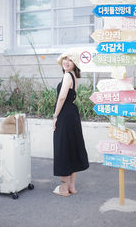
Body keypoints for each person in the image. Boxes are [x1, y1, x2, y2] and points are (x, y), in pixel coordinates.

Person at [52, 50, 89, 197]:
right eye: (64, 59)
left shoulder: (67, 75)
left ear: (74, 64)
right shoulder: (74, 77)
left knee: (63, 148)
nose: (66, 62)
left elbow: (62, 98)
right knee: (72, 147)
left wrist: (55, 116)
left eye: (70, 60)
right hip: (73, 114)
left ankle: (63, 188)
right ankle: (72, 187)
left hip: (65, 115)